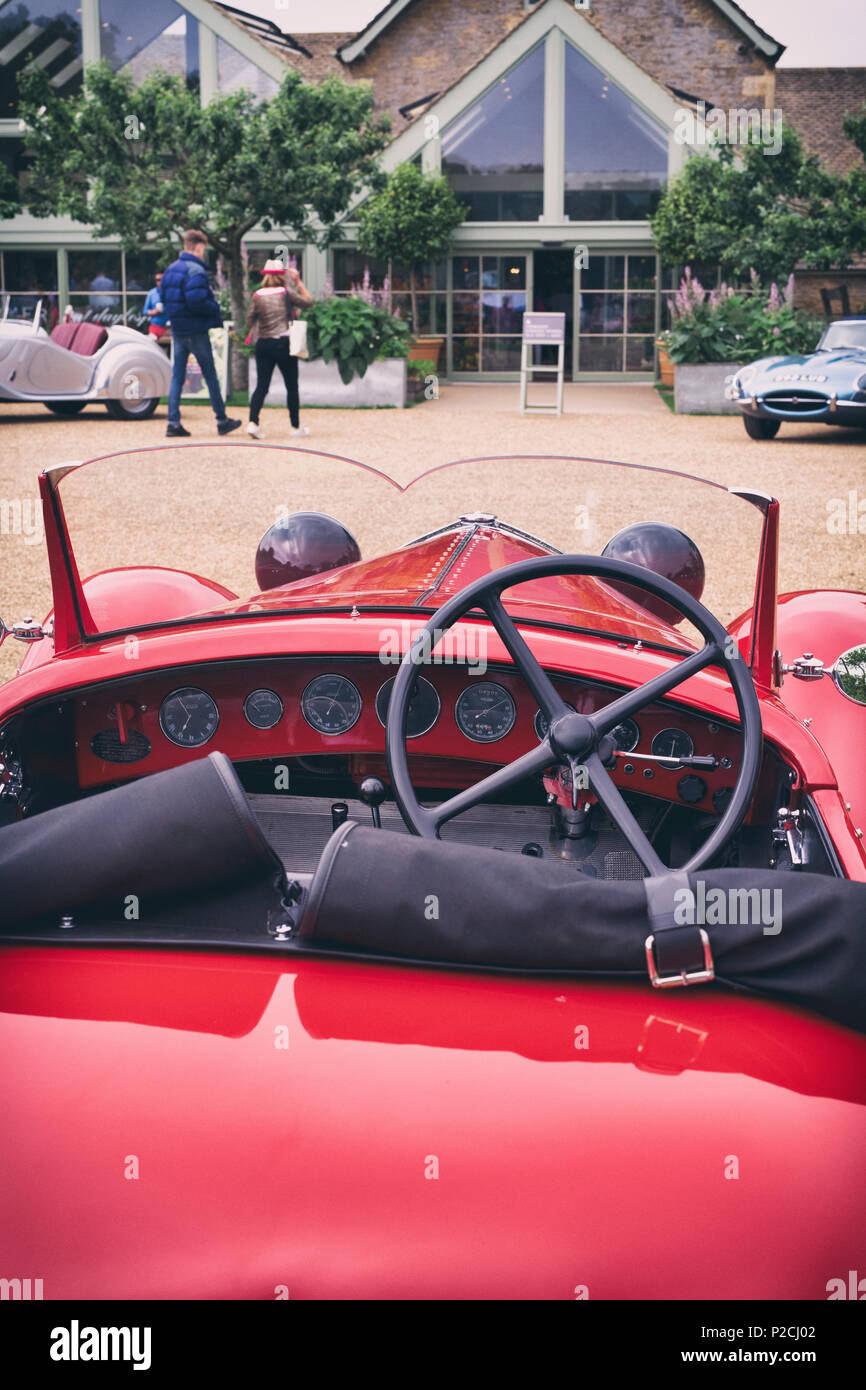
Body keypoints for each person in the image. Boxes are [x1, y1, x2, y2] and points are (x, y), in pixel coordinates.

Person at [161, 229, 241, 438]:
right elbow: (196, 300)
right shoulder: (195, 270)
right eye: (203, 248)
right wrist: (213, 308)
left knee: (177, 377)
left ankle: (173, 422)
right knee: (210, 376)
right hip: (195, 330)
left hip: (178, 330)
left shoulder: (170, 270)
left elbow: (165, 298)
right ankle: (221, 420)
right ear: (197, 247)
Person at [245, 258, 313, 440]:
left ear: (265, 276)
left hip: (263, 344)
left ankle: (253, 422)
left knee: (262, 386)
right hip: (284, 343)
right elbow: (308, 301)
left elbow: (249, 320)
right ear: (282, 276)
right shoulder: (286, 292)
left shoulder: (257, 295)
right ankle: (295, 426)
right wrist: (298, 281)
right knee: (291, 386)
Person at [143, 271, 169, 346]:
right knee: (152, 346)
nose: (160, 282)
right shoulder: (152, 293)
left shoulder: (171, 292)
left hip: (169, 327)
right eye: (158, 280)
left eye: (162, 279)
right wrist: (154, 312)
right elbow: (145, 311)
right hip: (156, 327)